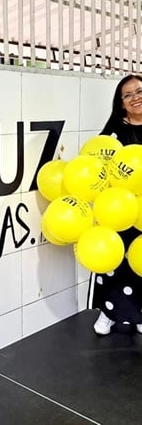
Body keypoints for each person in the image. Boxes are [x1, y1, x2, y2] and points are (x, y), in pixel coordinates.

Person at [90, 74, 142, 334]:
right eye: (128, 94)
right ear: (121, 103)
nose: (136, 97)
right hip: (117, 211)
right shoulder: (114, 132)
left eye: (139, 91)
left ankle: (139, 314)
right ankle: (108, 312)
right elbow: (96, 167)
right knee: (113, 262)